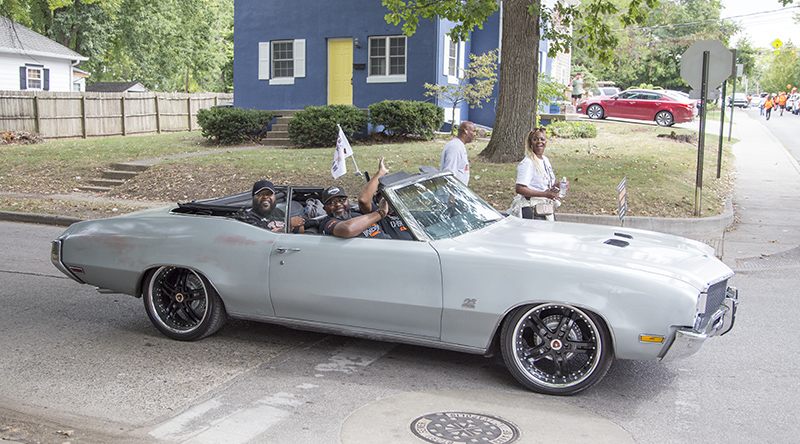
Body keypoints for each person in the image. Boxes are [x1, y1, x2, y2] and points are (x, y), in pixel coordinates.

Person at [509, 128, 561, 221]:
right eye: (535, 139)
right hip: (531, 209)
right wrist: (544, 194)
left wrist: (556, 187)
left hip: (545, 208)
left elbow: (542, 185)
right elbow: (520, 188)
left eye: (542, 139)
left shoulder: (545, 160)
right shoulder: (528, 163)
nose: (539, 142)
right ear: (530, 143)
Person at [358, 157, 413, 240]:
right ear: (377, 198)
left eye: (392, 194)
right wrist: (381, 173)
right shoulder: (377, 213)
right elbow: (364, 200)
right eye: (385, 195)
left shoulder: (404, 211)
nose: (389, 198)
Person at [319, 185, 391, 239]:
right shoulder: (328, 223)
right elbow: (348, 229)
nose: (338, 204)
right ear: (325, 209)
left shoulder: (356, 214)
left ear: (347, 202)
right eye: (331, 203)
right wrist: (380, 213)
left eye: (342, 200)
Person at [238, 180, 305, 233]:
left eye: (269, 194)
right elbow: (264, 239)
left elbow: (298, 231)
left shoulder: (279, 212)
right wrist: (288, 227)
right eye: (260, 194)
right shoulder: (250, 218)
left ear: (274, 197)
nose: (265, 197)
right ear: (253, 197)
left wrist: (299, 225)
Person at [439, 121, 476, 185]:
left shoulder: (459, 145)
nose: (475, 134)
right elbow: (449, 173)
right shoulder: (455, 147)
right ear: (466, 131)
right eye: (473, 131)